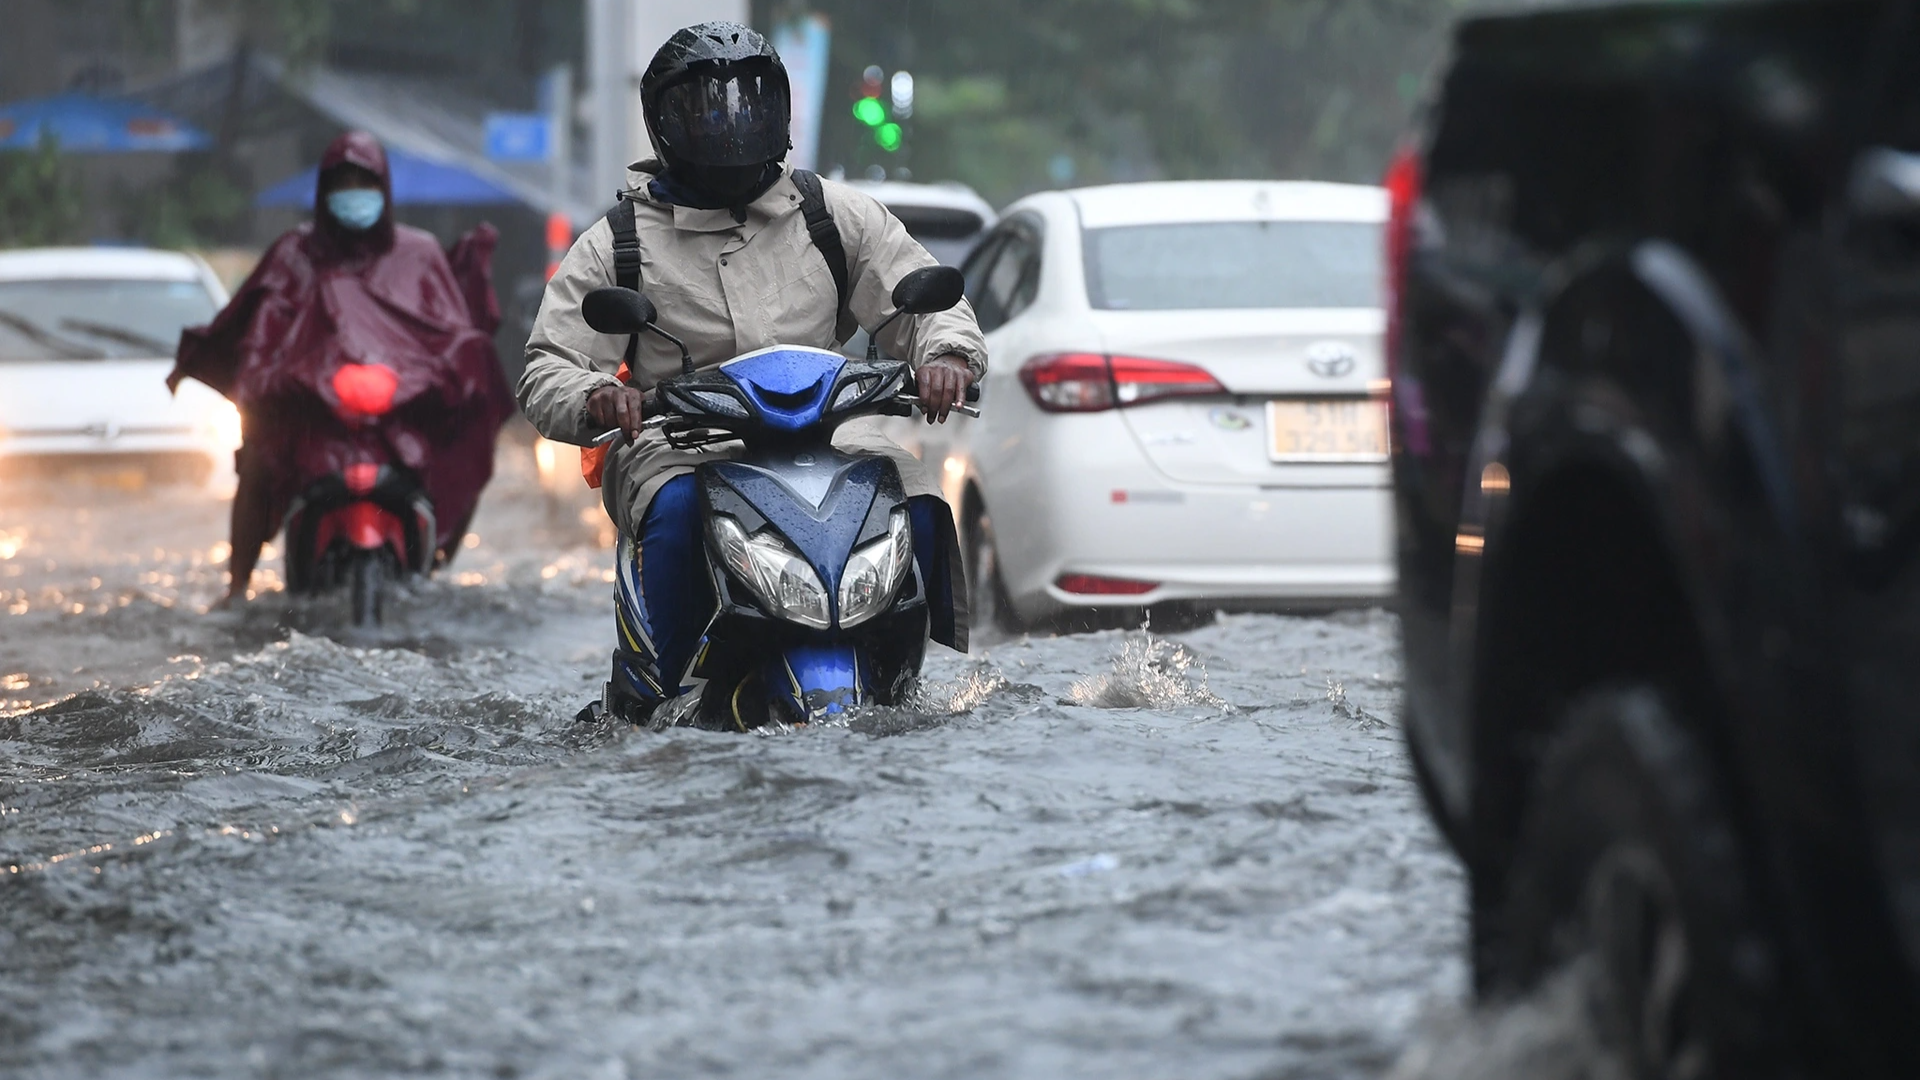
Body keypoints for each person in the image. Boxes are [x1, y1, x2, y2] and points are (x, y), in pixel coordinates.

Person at [520, 21, 986, 718]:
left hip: (831, 435)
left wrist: (947, 355)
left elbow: (920, 295)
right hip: (683, 445)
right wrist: (599, 399)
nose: (730, 123)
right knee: (674, 507)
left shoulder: (833, 214)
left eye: (748, 102)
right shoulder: (618, 240)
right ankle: (654, 691)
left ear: (779, 109)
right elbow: (547, 365)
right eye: (707, 107)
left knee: (914, 495)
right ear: (666, 122)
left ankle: (904, 677)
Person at [169, 131, 515, 606]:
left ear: (384, 188)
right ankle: (236, 587)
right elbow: (259, 346)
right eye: (342, 182)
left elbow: (455, 346)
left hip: (401, 424)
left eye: (364, 181)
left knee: (472, 441)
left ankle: (435, 561)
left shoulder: (419, 256)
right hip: (312, 425)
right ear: (324, 191)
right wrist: (300, 380)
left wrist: (416, 383)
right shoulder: (294, 257)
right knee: (254, 458)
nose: (354, 193)